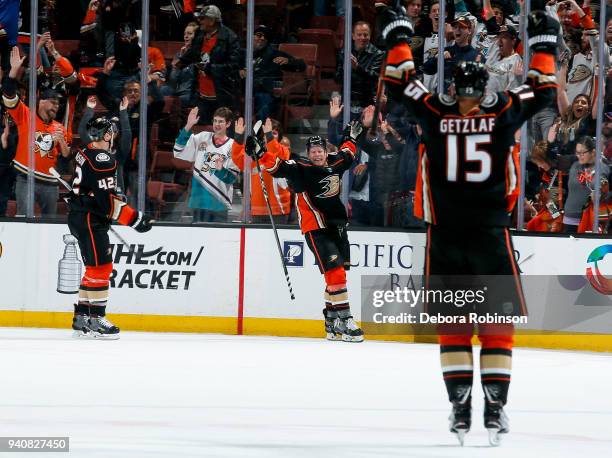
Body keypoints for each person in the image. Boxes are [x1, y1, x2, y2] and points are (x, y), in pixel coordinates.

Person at [379, 3, 559, 444]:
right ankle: (495, 410)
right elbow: (544, 89)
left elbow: (399, 83)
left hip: (444, 235)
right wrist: (545, 41)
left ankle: (459, 409)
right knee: (497, 325)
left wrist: (399, 34)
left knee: (454, 325)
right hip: (490, 233)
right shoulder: (500, 115)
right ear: (484, 87)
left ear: (453, 87)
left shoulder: (435, 116)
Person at [246, 122, 366, 343]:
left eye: (320, 151)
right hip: (316, 228)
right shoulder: (300, 167)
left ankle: (331, 321)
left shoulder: (335, 162)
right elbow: (278, 166)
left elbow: (348, 153)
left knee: (337, 276)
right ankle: (345, 319)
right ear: (308, 154)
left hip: (338, 226)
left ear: (325, 151)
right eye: (313, 152)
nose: (317, 155)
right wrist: (261, 153)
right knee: (336, 274)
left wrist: (352, 136)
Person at [68, 117, 153, 339]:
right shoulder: (104, 159)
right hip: (90, 219)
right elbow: (106, 203)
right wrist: (134, 218)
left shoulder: (84, 151)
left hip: (79, 216)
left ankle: (82, 316)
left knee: (93, 268)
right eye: (111, 132)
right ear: (106, 135)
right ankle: (96, 319)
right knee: (101, 268)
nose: (113, 135)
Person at [2, 47, 72, 217]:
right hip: (26, 179)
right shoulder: (25, 116)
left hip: (50, 183)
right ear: (41, 102)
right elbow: (9, 96)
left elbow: (66, 158)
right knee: (23, 221)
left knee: (50, 224)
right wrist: (13, 71)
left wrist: (62, 142)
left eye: (58, 104)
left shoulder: (60, 127)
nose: (56, 106)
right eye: (53, 102)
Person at [173, 106, 239, 222]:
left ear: (228, 124)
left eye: (221, 121)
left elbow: (232, 179)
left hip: (219, 203)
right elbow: (178, 151)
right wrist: (188, 125)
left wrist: (221, 171)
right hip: (198, 200)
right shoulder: (202, 137)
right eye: (215, 121)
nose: (217, 124)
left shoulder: (233, 146)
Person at [180, 4, 241, 125]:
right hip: (201, 94)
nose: (199, 21)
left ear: (212, 20)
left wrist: (210, 68)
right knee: (200, 133)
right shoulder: (199, 35)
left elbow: (234, 65)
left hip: (222, 95)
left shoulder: (230, 37)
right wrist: (182, 61)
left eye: (202, 18)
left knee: (224, 133)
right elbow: (194, 53)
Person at [231, 117, 291, 223]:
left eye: (274, 133)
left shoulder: (283, 151)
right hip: (256, 210)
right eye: (267, 133)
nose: (270, 135)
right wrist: (238, 138)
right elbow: (238, 158)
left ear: (280, 137)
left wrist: (269, 136)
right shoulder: (253, 152)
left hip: (278, 210)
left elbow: (274, 153)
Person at [241, 25, 306, 121]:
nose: (262, 38)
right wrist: (239, 71)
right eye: (259, 35)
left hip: (265, 91)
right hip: (243, 90)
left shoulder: (273, 54)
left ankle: (262, 132)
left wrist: (288, 61)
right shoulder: (242, 53)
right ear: (251, 36)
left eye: (265, 37)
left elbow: (301, 65)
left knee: (263, 99)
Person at [335, 21, 384, 118]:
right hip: (347, 101)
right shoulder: (344, 52)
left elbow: (373, 78)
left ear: (370, 36)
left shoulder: (378, 54)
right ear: (353, 36)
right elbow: (337, 79)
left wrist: (357, 68)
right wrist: (344, 70)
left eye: (365, 35)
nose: (362, 38)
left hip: (367, 103)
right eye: (359, 35)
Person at [563, 136, 610, 233]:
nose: (579, 155)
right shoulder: (575, 165)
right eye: (577, 152)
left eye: (582, 153)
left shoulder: (602, 168)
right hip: (569, 218)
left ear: (593, 152)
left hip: (588, 219)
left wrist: (600, 191)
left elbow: (602, 184)